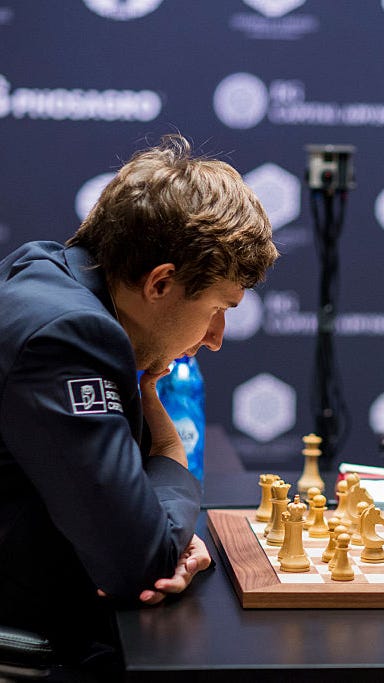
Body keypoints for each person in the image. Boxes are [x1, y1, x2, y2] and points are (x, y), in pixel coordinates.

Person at [0, 134, 279, 671]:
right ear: (161, 283)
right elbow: (135, 565)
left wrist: (163, 533)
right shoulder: (72, 336)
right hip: (36, 638)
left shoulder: (49, 269)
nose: (217, 337)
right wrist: (170, 524)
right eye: (218, 307)